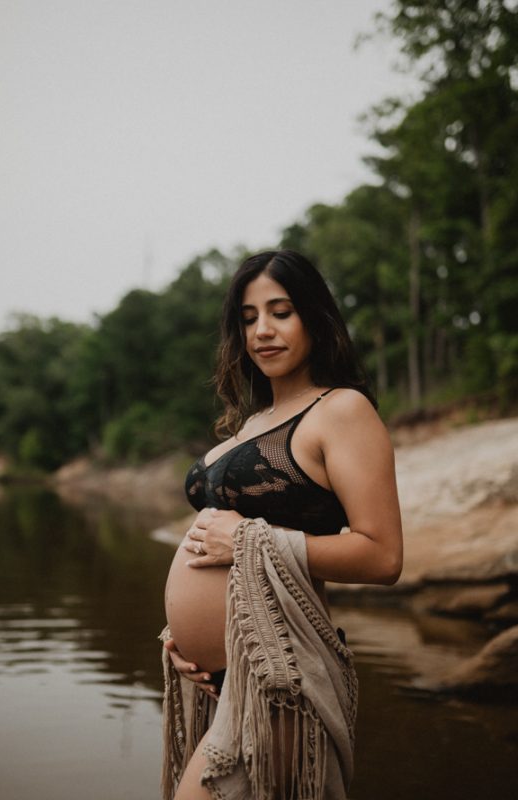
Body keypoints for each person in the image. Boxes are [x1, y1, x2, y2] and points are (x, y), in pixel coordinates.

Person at [162, 250, 403, 800]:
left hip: (281, 671)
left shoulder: (341, 410)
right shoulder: (251, 422)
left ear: (315, 318)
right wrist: (187, 642)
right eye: (248, 318)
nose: (262, 331)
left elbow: (383, 556)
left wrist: (247, 540)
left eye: (281, 311)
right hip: (223, 679)